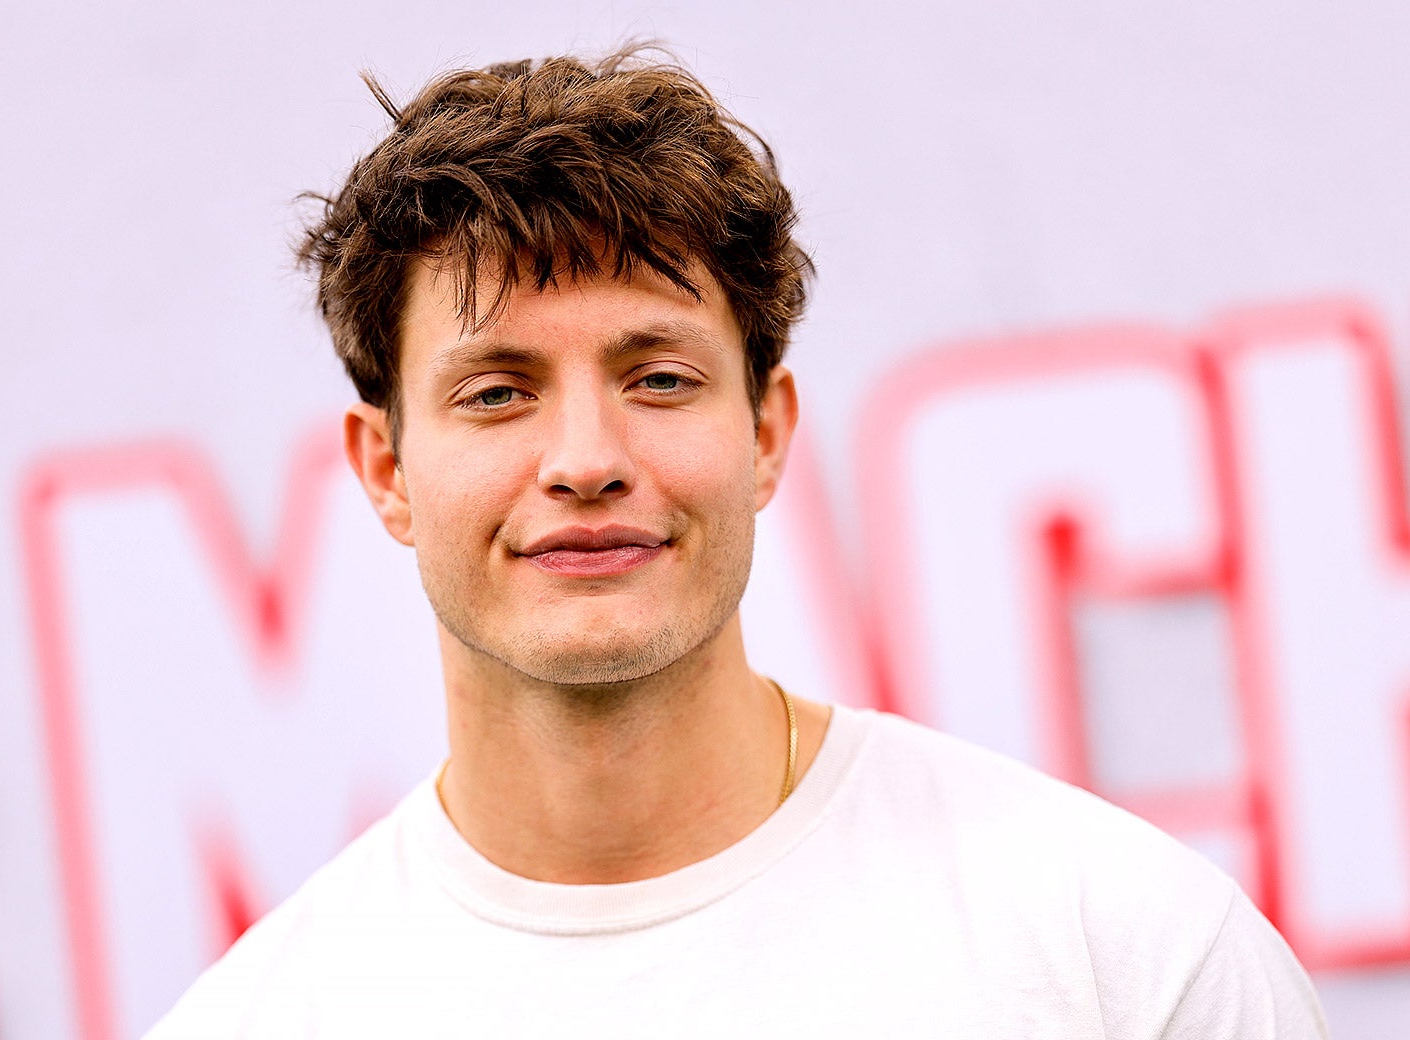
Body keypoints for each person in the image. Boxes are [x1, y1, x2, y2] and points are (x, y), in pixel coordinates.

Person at [148, 47, 1329, 1038]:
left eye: (657, 377)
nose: (585, 458)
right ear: (387, 469)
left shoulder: (1120, 951)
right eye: (498, 391)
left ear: (765, 432)